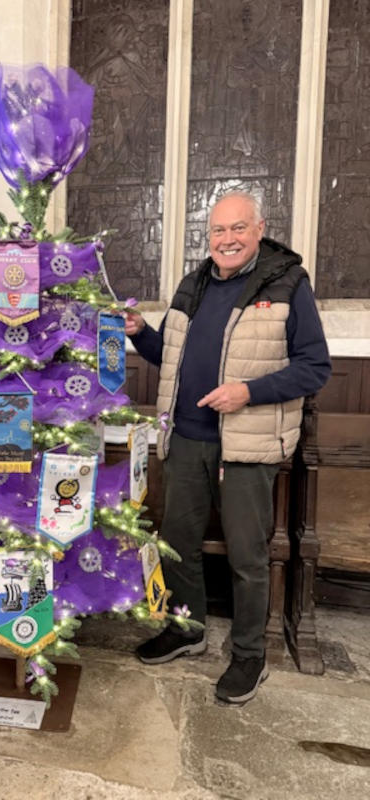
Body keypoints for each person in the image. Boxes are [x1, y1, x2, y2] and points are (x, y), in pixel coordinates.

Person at [125, 191, 331, 704]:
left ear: (260, 229)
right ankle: (187, 630)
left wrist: (248, 392)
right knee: (177, 544)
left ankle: (248, 655)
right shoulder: (192, 285)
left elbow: (315, 367)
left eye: (238, 228)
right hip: (187, 441)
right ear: (208, 236)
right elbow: (169, 357)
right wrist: (139, 333)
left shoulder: (288, 283)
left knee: (246, 557)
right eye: (218, 231)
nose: (228, 239)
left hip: (245, 445)